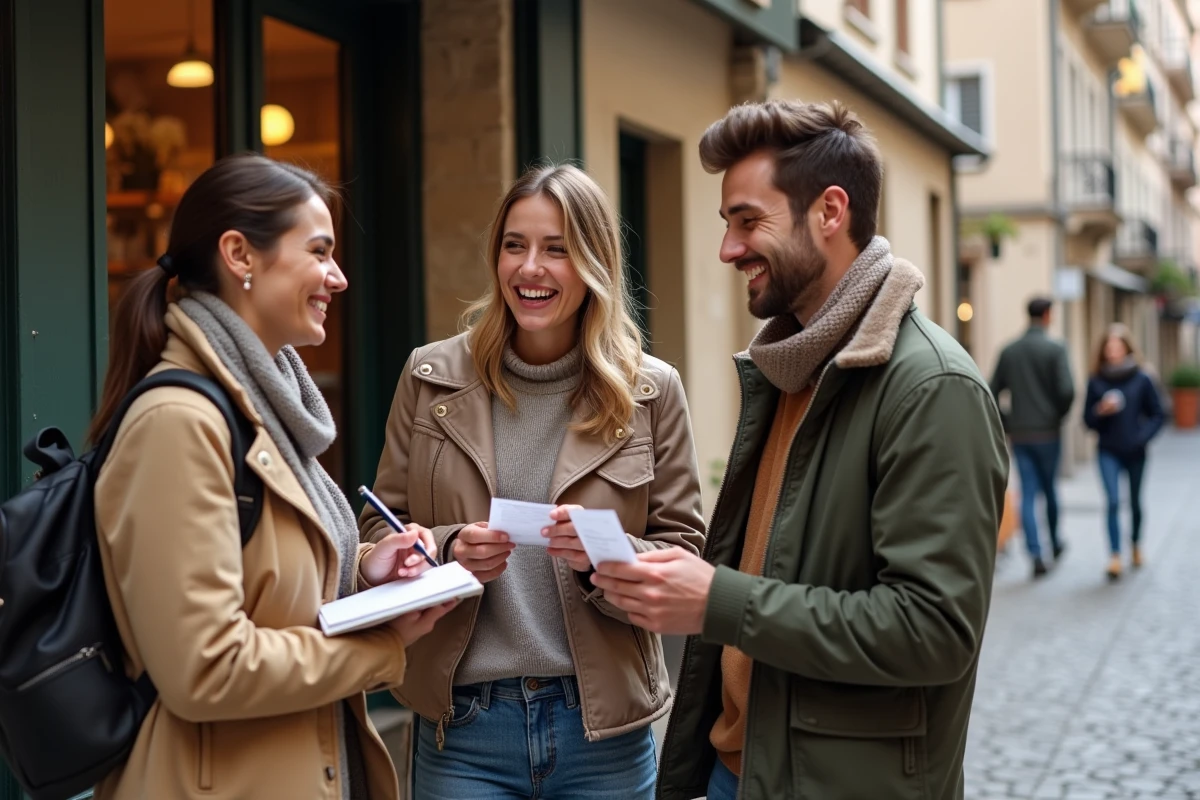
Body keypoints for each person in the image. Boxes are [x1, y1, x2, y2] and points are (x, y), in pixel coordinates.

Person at [588, 100, 1008, 800]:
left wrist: (717, 600)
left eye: (749, 220)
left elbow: (934, 630)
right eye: (728, 224)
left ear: (830, 212)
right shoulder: (790, 366)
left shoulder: (932, 387)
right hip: (744, 769)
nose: (728, 249)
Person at [90, 154, 454, 799]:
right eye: (319, 252)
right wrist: (383, 646)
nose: (337, 278)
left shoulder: (266, 410)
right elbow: (206, 668)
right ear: (240, 256)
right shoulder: (179, 423)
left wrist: (367, 566)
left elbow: (267, 582)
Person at [360, 164, 706, 799]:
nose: (529, 269)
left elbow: (683, 550)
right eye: (514, 245)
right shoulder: (430, 374)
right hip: (463, 726)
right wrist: (446, 547)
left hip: (602, 729)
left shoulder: (651, 390)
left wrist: (608, 558)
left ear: (594, 263)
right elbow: (378, 529)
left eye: (557, 249)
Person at [989, 296, 1077, 578]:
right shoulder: (1056, 348)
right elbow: (1067, 391)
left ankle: (1035, 552)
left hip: (1022, 433)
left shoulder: (1010, 350)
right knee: (1049, 489)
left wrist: (1008, 421)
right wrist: (1057, 415)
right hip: (1048, 432)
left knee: (1027, 492)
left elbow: (990, 390)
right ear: (1048, 315)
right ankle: (1054, 543)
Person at [1083, 324, 1165, 580]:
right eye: (1109, 347)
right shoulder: (1096, 380)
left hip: (1135, 450)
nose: (1113, 352)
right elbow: (1087, 420)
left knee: (1136, 502)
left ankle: (1136, 544)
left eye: (1118, 347)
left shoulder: (1142, 377)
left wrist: (1143, 437)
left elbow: (1159, 413)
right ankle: (1115, 556)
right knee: (1113, 502)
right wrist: (1100, 411)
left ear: (1127, 348)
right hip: (1108, 450)